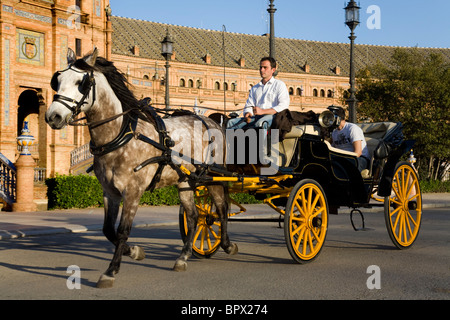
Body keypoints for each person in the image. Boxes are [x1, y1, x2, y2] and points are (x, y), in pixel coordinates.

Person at [227, 57, 289, 129]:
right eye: (260, 67)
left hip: (273, 117)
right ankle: (231, 140)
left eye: (265, 67)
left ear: (273, 70)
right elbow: (249, 105)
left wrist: (263, 111)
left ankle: (263, 140)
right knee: (231, 122)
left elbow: (283, 106)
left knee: (260, 123)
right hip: (256, 117)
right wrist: (248, 113)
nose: (262, 70)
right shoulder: (255, 88)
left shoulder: (279, 85)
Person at [330, 106, 370, 172]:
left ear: (338, 118)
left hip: (359, 159)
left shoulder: (352, 128)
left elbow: (358, 152)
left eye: (331, 118)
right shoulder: (334, 132)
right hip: (343, 159)